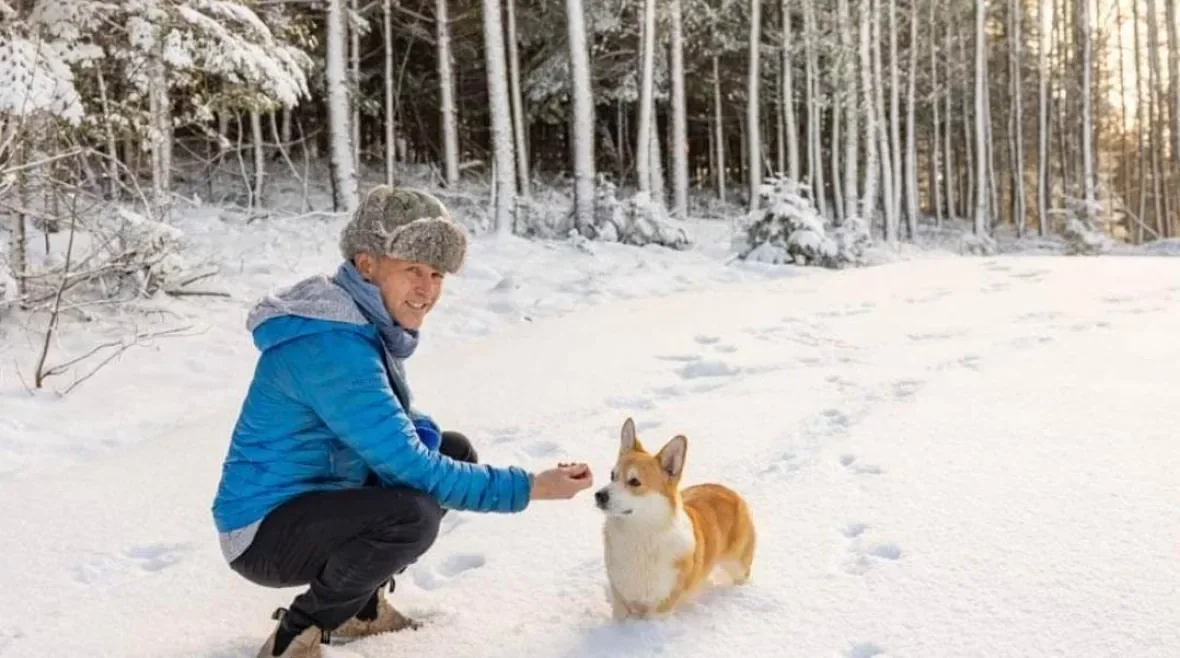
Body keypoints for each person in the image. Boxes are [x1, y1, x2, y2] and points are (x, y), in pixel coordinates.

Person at [211, 185, 594, 658]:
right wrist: (532, 487)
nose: (427, 290)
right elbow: (409, 466)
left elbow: (385, 427)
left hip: (317, 497)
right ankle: (298, 632)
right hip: (263, 531)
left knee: (451, 450)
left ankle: (360, 607)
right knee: (411, 516)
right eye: (412, 269)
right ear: (367, 264)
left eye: (436, 274)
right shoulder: (332, 345)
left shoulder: (355, 323)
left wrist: (417, 433)